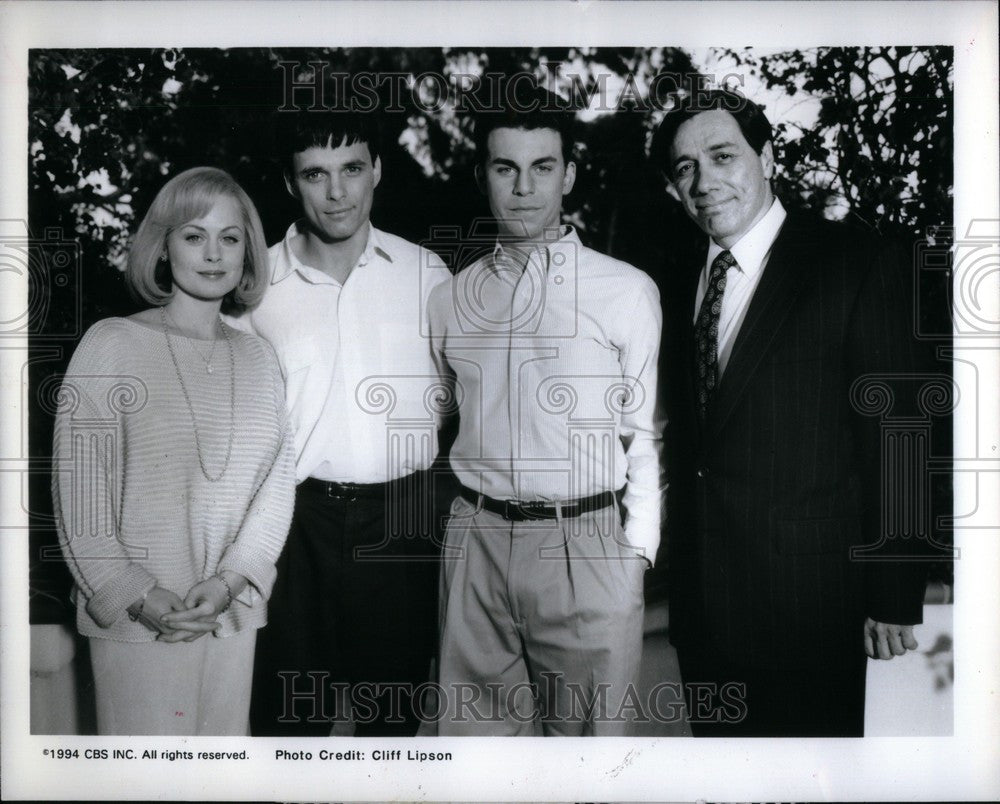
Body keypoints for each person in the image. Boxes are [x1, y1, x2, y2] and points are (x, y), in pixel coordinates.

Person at [651, 89, 930, 736]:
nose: (703, 181)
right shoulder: (673, 282)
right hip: (705, 620)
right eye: (684, 167)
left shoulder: (857, 263)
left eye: (722, 155)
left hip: (814, 609)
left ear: (768, 156)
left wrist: (894, 593)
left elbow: (902, 437)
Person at [427, 81, 664, 736]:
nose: (523, 187)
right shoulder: (451, 299)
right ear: (483, 176)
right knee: (475, 759)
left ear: (570, 175)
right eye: (506, 168)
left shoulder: (625, 291)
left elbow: (648, 433)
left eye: (542, 168)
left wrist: (635, 549)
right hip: (474, 538)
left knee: (587, 758)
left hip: (584, 542)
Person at [229, 110, 451, 737]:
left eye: (352, 169)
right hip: (293, 525)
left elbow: (465, 400)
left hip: (402, 523)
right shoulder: (255, 287)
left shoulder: (426, 273)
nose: (337, 192)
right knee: (287, 724)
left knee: (393, 724)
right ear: (290, 183)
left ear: (377, 169)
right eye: (315, 174)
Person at [52, 166, 295, 736]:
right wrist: (140, 597)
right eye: (193, 235)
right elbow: (80, 509)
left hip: (229, 618)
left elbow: (275, 491)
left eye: (229, 238)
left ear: (247, 253)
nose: (213, 254)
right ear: (163, 248)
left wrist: (230, 583)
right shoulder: (111, 344)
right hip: (139, 625)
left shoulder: (261, 360)